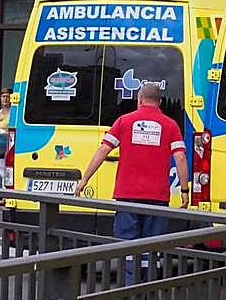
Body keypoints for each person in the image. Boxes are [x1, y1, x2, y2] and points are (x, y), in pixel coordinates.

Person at [75, 81, 189, 285]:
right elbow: (180, 157)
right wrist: (184, 189)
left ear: (139, 99)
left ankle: (130, 286)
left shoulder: (124, 121)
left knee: (127, 244)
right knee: (152, 244)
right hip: (157, 196)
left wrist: (84, 180)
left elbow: (103, 151)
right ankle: (147, 286)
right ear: (159, 102)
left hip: (127, 194)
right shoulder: (170, 125)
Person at [0, 87, 12, 199]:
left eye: (7, 97)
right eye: (3, 96)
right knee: (1, 170)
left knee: (8, 169)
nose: (5, 99)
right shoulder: (0, 113)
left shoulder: (13, 112)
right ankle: (4, 194)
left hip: (9, 144)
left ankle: (7, 195)